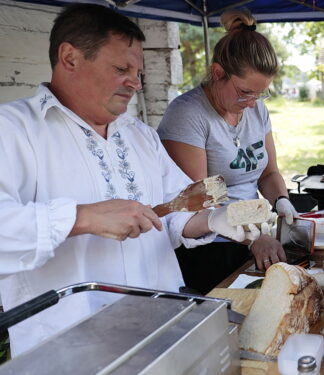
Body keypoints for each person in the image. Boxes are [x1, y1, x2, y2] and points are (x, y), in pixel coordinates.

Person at [0, 4, 254, 355]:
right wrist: (80, 217)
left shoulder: (141, 136)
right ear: (70, 58)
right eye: (122, 68)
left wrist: (215, 220)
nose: (135, 82)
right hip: (69, 350)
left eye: (138, 71)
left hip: (160, 327)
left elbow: (173, 213)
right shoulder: (12, 130)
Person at [158, 10, 296, 293]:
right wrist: (254, 237)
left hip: (253, 234)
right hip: (209, 247)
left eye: (259, 94)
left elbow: (268, 172)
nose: (251, 103)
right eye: (245, 92)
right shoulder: (188, 115)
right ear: (218, 73)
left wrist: (281, 201)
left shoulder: (256, 110)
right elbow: (197, 203)